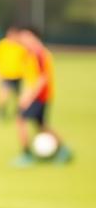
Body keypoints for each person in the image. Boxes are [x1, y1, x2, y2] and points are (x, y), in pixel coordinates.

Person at [13, 26, 68, 164]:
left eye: (26, 36)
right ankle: (64, 149)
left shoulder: (40, 53)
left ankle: (26, 154)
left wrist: (29, 97)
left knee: (21, 121)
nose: (23, 39)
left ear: (34, 36)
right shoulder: (29, 54)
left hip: (40, 96)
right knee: (42, 126)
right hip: (37, 95)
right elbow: (30, 77)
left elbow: (42, 78)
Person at [0, 24, 28, 120]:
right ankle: (1, 113)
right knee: (3, 94)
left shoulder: (21, 47)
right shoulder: (1, 46)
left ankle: (19, 113)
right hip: (6, 75)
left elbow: (27, 61)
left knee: (19, 96)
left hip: (18, 75)